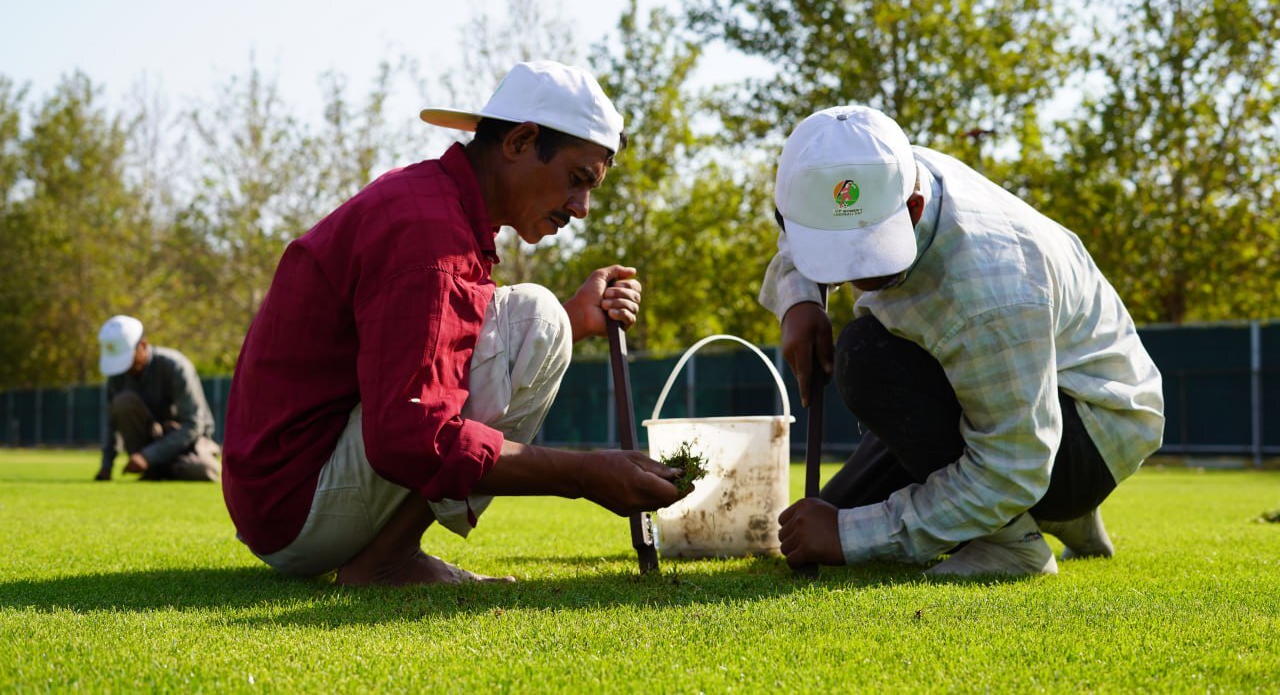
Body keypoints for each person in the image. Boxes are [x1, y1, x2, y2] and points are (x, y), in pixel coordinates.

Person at [221, 60, 686, 586]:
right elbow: (410, 437)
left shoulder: (431, 203)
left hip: (284, 497)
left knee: (545, 317)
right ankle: (387, 561)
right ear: (519, 142)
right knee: (537, 313)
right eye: (577, 180)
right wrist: (583, 474)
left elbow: (435, 354)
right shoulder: (429, 233)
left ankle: (388, 554)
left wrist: (575, 319)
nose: (580, 208)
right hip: (297, 506)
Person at [765, 106, 1165, 577]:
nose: (849, 274)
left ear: (913, 209)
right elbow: (802, 230)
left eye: (867, 251)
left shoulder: (993, 292)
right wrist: (801, 301)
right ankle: (1060, 517)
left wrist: (852, 535)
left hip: (1089, 428)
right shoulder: (872, 170)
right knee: (837, 507)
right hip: (1019, 401)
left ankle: (1016, 543)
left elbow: (1014, 464)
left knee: (864, 356)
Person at [94, 315, 221, 482]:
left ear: (143, 345)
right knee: (122, 402)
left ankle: (157, 468)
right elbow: (112, 423)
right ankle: (160, 467)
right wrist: (106, 466)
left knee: (205, 470)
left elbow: (193, 425)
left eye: (127, 360)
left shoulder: (175, 366)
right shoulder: (118, 375)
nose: (125, 368)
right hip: (146, 444)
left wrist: (149, 456)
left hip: (187, 444)